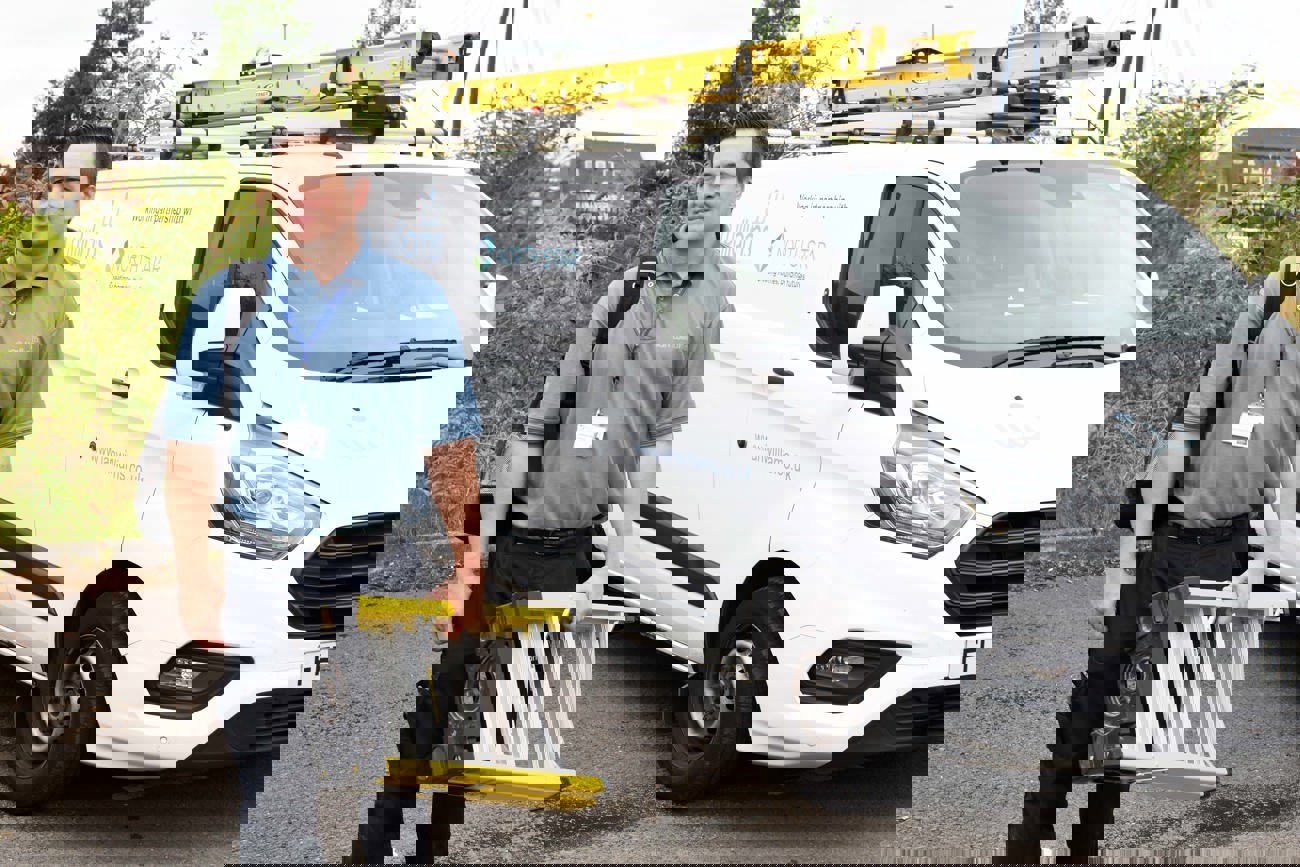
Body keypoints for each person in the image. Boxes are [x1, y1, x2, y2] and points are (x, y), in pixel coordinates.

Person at [347, 124, 769, 864]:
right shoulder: (638, 280)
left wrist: (612, 537)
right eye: (710, 172)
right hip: (520, 509)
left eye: (729, 177)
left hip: (574, 535)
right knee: (442, 682)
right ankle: (376, 835)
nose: (710, 190)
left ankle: (428, 844)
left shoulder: (718, 307)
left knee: (488, 704)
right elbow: (562, 385)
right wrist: (507, 480)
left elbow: (668, 435)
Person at [1002, 255, 1300, 862]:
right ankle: (1027, 841)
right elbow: (1195, 408)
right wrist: (1138, 525)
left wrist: (1269, 568)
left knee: (1149, 710)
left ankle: (1082, 843)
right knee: (1098, 690)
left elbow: (1288, 477)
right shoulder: (1264, 314)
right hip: (1168, 530)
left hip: (1228, 545)